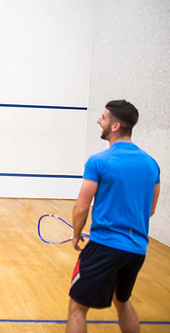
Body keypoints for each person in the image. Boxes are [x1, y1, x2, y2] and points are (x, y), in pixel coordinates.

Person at [66, 100, 160, 333]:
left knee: (77, 307)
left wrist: (76, 235)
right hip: (137, 250)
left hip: (105, 247)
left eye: (103, 117)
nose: (99, 120)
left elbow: (81, 207)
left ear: (115, 126)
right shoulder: (151, 164)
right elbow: (150, 210)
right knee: (122, 301)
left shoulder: (99, 161)